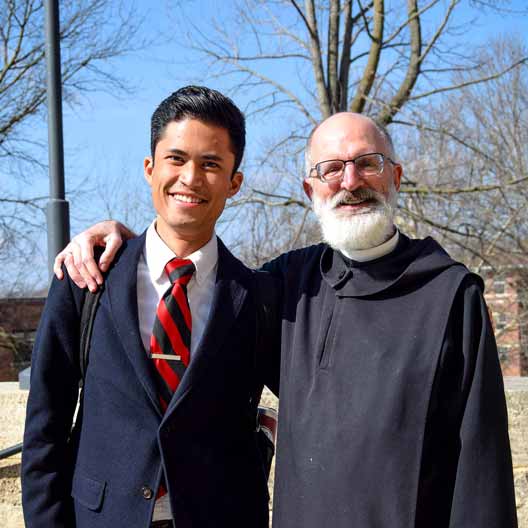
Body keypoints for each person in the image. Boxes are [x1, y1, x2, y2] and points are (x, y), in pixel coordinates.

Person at [55, 112, 517, 528]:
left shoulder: (452, 296)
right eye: (330, 168)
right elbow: (187, 293)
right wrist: (124, 241)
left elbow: (482, 462)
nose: (350, 181)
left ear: (395, 176)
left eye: (368, 163)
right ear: (309, 189)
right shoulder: (283, 286)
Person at [22, 86, 279, 528]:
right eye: (176, 159)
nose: (191, 178)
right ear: (149, 167)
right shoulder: (87, 280)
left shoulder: (258, 297)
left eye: (211, 164)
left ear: (235, 182)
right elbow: (44, 428)